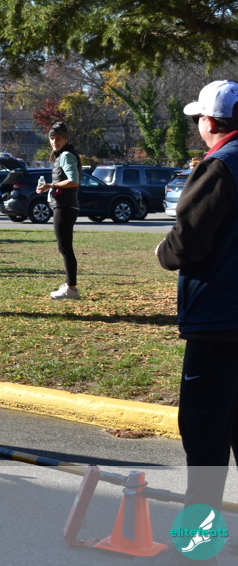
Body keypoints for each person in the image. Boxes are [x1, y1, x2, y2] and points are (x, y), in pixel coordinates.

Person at [155, 80, 238, 534]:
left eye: (198, 120)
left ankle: (197, 544)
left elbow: (188, 241)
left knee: (206, 437)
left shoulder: (220, 165)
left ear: (210, 121)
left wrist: (163, 252)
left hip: (220, 321)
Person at [37, 121, 81, 300]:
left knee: (65, 248)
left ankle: (71, 288)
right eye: (52, 138)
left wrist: (51, 185)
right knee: (64, 247)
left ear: (66, 139)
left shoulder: (66, 155)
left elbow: (73, 180)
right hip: (65, 205)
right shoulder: (63, 155)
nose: (55, 142)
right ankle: (70, 286)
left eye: (59, 138)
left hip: (65, 206)